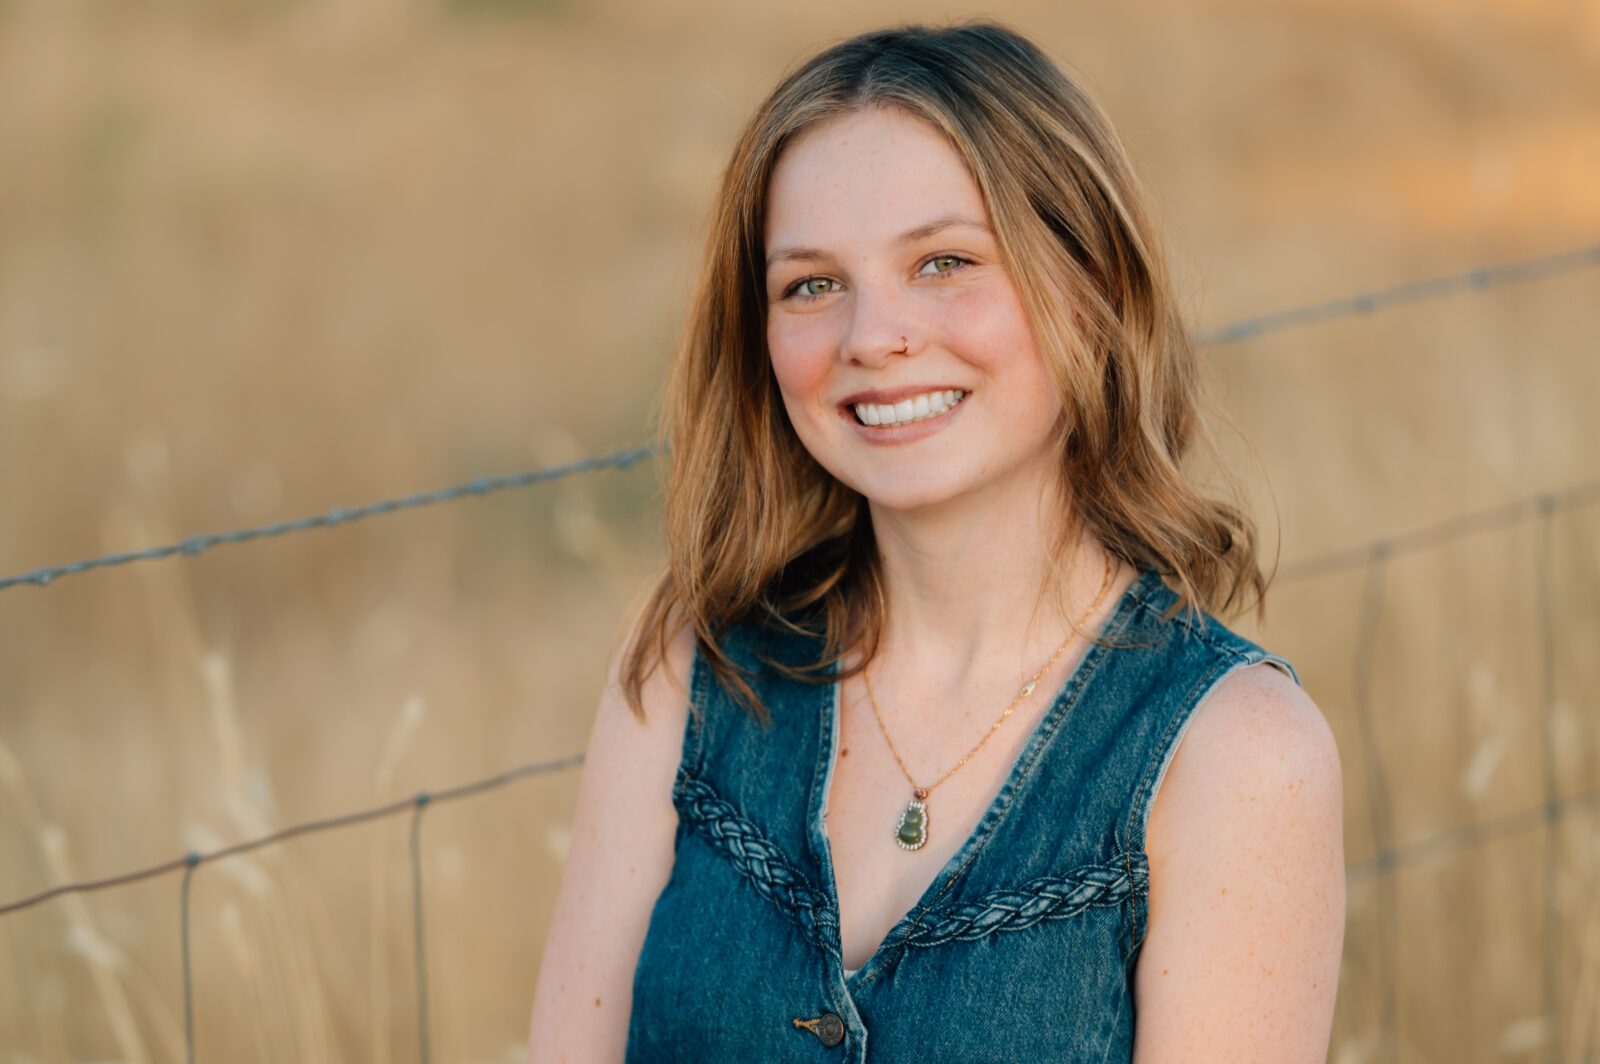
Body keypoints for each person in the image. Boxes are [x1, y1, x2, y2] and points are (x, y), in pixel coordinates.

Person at [529, 21, 1344, 1063]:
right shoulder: (697, 668)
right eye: (811, 284)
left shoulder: (1233, 753)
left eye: (945, 260)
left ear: (1090, 288)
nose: (871, 335)